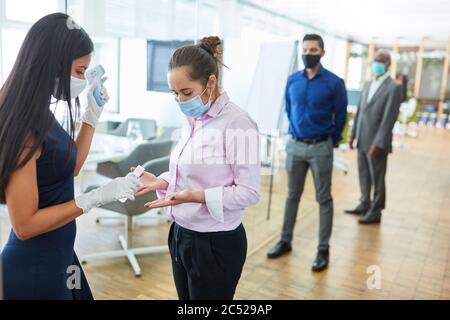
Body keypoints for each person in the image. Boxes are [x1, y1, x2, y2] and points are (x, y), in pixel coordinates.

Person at [0, 13, 140, 300]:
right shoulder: (25, 128)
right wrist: (93, 198)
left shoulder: (41, 112)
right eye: (79, 72)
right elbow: (24, 226)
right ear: (51, 64)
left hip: (61, 254)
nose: (81, 81)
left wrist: (91, 114)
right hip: (35, 267)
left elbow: (70, 166)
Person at [134, 36, 260, 300]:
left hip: (215, 244)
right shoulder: (192, 119)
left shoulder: (238, 123)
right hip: (181, 234)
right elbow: (193, 173)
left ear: (210, 82)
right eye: (175, 93)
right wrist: (163, 182)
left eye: (186, 92)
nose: (180, 100)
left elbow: (249, 192)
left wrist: (196, 197)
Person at [267, 34, 348, 272]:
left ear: (322, 52)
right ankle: (285, 240)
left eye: (313, 50)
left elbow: (340, 116)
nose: (308, 54)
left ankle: (323, 250)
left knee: (324, 199)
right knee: (292, 195)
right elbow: (290, 110)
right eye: (305, 50)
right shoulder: (293, 80)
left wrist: (330, 141)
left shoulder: (334, 82)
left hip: (321, 146)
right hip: (295, 145)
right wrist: (295, 133)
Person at [345, 49, 402, 224]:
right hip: (362, 138)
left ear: (388, 64)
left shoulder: (394, 87)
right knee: (363, 174)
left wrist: (378, 143)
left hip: (377, 143)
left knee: (377, 177)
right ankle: (364, 203)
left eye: (381, 60)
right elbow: (360, 112)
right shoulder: (368, 84)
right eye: (375, 60)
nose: (377, 63)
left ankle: (376, 211)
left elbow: (389, 119)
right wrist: (352, 135)